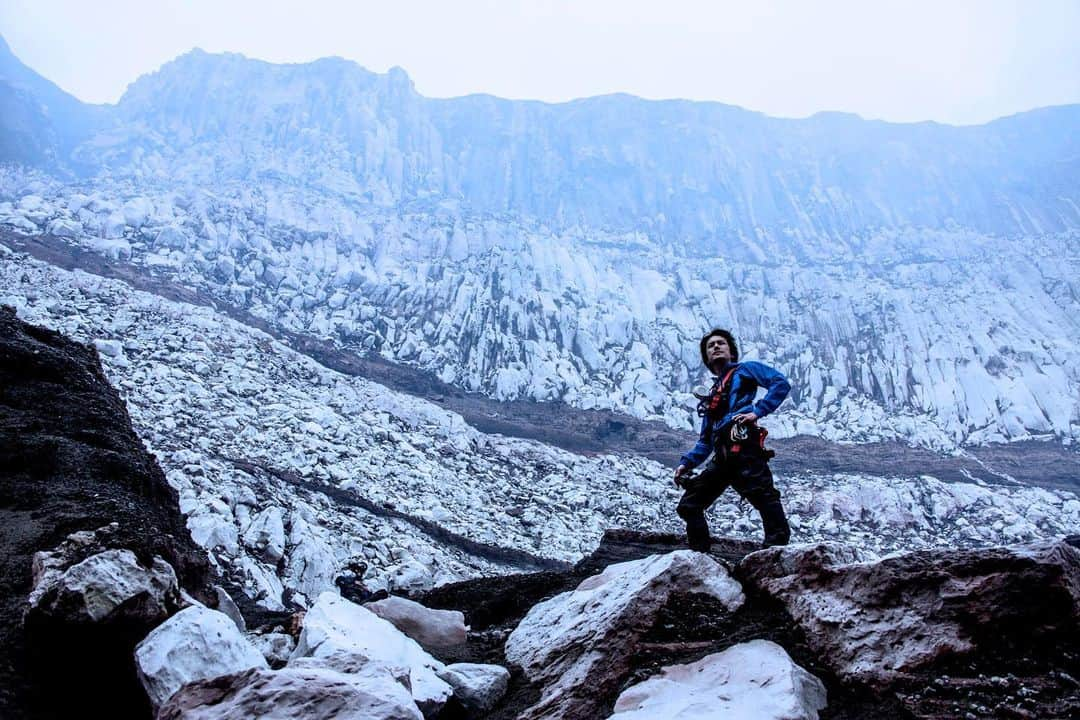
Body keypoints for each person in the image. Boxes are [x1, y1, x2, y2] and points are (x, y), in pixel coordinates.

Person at [674, 328, 792, 550]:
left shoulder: (745, 370)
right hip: (722, 456)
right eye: (711, 345)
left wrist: (758, 411)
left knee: (765, 498)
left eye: (721, 343)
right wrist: (686, 462)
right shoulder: (713, 395)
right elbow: (705, 440)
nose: (716, 347)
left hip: (744, 448)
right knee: (689, 505)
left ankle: (776, 554)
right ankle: (700, 559)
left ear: (731, 352)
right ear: (707, 357)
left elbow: (780, 383)